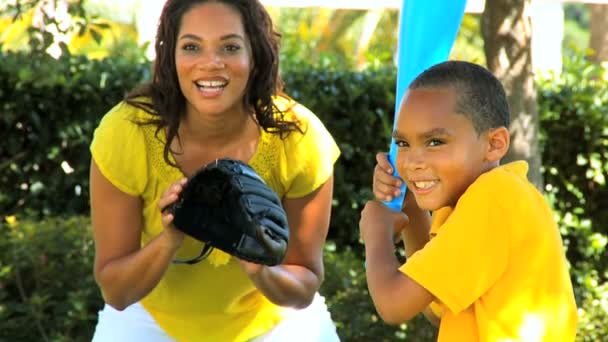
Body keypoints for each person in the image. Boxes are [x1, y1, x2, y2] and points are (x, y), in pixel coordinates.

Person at [88, 1, 341, 341]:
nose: (211, 63)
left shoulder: (299, 137)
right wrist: (171, 238)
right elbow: (116, 293)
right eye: (191, 46)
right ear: (170, 57)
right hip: (149, 316)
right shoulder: (125, 131)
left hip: (272, 319)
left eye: (230, 47)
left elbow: (304, 287)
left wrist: (258, 265)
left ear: (255, 56)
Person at [359, 60, 578, 341]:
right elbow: (432, 305)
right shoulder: (481, 200)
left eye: (435, 142)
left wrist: (376, 232)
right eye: (403, 144)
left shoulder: (494, 197)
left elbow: (394, 304)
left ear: (494, 144)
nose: (412, 161)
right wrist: (409, 205)